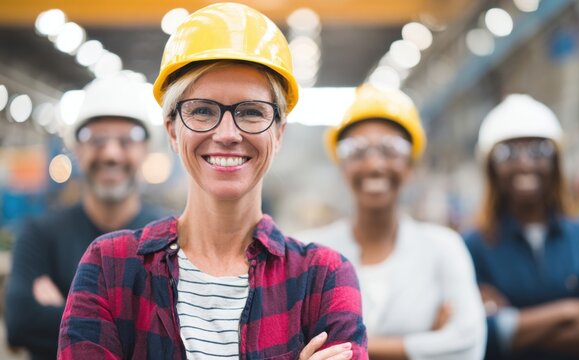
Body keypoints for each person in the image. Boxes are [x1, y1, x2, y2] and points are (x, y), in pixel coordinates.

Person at [57, 3, 367, 359]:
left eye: (251, 112)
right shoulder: (110, 267)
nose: (228, 133)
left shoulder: (323, 277)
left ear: (278, 133)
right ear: (172, 130)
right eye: (202, 111)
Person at [297, 84, 486, 359]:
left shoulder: (444, 248)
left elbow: (467, 345)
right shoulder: (310, 252)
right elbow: (287, 345)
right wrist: (426, 343)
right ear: (342, 165)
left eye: (390, 150)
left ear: (410, 165)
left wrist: (346, 345)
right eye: (358, 151)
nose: (374, 164)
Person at [5, 74, 168, 360]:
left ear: (145, 149)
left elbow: (176, 338)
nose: (111, 154)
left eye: (126, 140)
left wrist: (67, 312)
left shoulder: (169, 238)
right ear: (78, 149)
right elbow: (21, 324)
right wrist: (137, 326)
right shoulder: (39, 236)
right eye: (96, 140)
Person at [463, 94, 579, 359]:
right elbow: (475, 335)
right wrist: (568, 312)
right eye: (508, 152)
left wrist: (513, 325)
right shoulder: (471, 248)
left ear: (556, 162)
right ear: (491, 166)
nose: (525, 163)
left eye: (539, 150)